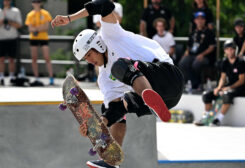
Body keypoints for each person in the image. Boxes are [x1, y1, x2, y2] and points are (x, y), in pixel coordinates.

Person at [51, 0, 184, 167]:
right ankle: (111, 162)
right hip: (168, 101)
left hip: (168, 77)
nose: (90, 61)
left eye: (89, 55)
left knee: (120, 66)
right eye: (85, 59)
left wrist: (70, 18)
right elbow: (115, 111)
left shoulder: (110, 34)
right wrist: (98, 125)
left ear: (97, 44)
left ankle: (148, 95)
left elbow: (104, 5)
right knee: (118, 105)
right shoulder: (104, 80)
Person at [195, 40, 245, 126]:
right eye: (227, 49)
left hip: (240, 88)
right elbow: (223, 78)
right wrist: (218, 88)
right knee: (207, 95)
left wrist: (229, 88)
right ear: (225, 51)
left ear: (235, 50)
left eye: (231, 49)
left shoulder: (241, 62)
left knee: (226, 95)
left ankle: (218, 119)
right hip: (229, 87)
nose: (229, 51)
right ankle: (206, 117)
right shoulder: (224, 62)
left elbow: (242, 81)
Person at [178, 11, 215, 93]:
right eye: (198, 19)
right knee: (182, 62)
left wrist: (202, 54)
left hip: (205, 56)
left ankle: (197, 84)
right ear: (195, 21)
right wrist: (186, 53)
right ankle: (188, 83)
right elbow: (188, 46)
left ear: (204, 20)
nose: (200, 21)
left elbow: (211, 47)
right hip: (192, 55)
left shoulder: (209, 32)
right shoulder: (192, 33)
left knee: (196, 64)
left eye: (202, 19)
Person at [25, 0, 53, 86]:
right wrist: (39, 28)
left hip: (43, 38)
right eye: (34, 2)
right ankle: (36, 77)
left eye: (38, 2)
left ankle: (51, 78)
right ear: (32, 3)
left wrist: (35, 29)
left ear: (41, 3)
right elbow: (29, 29)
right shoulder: (30, 14)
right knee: (34, 58)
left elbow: (46, 27)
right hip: (33, 38)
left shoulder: (45, 13)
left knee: (47, 57)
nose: (36, 3)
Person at [0, 0, 22, 86]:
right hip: (1, 38)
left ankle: (11, 77)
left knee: (11, 59)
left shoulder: (15, 11)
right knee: (1, 59)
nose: (6, 2)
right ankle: (1, 77)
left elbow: (19, 25)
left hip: (12, 38)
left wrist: (9, 22)